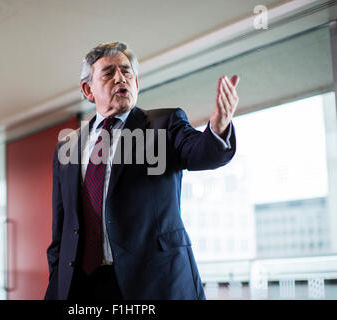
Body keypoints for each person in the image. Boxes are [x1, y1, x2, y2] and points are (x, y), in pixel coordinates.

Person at [45, 42, 239, 300]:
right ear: (87, 89)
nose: (120, 78)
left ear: (136, 82)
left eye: (126, 72)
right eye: (108, 73)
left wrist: (217, 130)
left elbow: (202, 152)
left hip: (153, 282)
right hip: (84, 287)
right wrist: (55, 289)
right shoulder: (67, 148)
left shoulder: (164, 124)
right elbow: (61, 233)